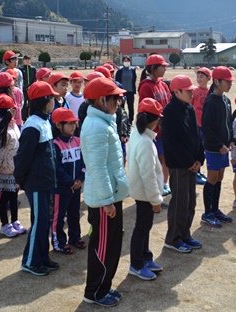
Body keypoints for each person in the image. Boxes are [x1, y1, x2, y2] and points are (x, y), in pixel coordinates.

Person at [81, 77, 129, 307]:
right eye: (116, 98)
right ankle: (95, 292)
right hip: (103, 199)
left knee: (112, 243)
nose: (119, 102)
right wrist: (107, 201)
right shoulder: (96, 127)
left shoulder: (105, 121)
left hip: (110, 194)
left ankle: (105, 286)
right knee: (102, 246)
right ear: (102, 100)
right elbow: (97, 167)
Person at [14, 81, 59, 276]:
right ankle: (30, 261)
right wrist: (23, 180)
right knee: (39, 223)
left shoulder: (45, 120)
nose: (54, 101)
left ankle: (42, 257)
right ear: (43, 101)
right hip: (37, 183)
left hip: (46, 181)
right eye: (52, 98)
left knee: (44, 222)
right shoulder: (32, 125)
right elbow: (23, 158)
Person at [162, 75, 205, 253]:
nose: (191, 93)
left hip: (192, 164)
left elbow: (196, 137)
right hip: (179, 166)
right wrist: (188, 161)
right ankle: (173, 238)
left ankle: (185, 234)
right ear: (177, 91)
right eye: (188, 91)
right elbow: (172, 144)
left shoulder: (189, 108)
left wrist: (199, 159)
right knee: (179, 202)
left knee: (190, 203)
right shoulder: (169, 112)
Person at [127, 98, 164, 280]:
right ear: (153, 121)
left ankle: (145, 257)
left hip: (141, 192)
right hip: (145, 194)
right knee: (142, 228)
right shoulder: (145, 142)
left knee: (145, 226)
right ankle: (136, 264)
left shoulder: (138, 135)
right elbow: (148, 176)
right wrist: (156, 200)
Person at [201, 66, 236, 227]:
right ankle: (207, 213)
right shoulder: (210, 102)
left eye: (230, 82)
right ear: (216, 81)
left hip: (224, 148)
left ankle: (215, 209)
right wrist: (219, 145)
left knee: (220, 177)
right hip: (214, 148)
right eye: (227, 82)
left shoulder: (226, 101)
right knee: (212, 178)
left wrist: (231, 140)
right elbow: (207, 128)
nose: (229, 85)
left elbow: (229, 123)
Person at [50, 107, 85, 254]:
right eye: (69, 123)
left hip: (75, 187)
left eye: (74, 123)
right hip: (62, 188)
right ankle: (59, 242)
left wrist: (80, 178)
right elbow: (57, 169)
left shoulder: (78, 141)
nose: (73, 126)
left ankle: (75, 237)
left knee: (74, 213)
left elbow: (84, 162)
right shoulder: (55, 144)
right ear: (58, 125)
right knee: (59, 216)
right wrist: (70, 182)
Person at [138, 54, 172, 196]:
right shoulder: (146, 87)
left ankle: (164, 183)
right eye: (162, 67)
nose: (164, 69)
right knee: (157, 161)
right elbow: (147, 109)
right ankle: (158, 185)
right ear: (153, 68)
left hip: (166, 130)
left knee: (166, 159)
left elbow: (169, 103)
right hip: (155, 131)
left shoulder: (163, 84)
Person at [0, 93, 25, 238]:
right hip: (6, 170)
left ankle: (15, 220)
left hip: (15, 168)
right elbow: (0, 153)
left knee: (13, 197)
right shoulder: (1, 129)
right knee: (4, 198)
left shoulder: (11, 125)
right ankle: (5, 224)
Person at [192, 67, 211, 185]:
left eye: (202, 76)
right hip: (196, 125)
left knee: (202, 149)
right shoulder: (194, 91)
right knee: (196, 149)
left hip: (206, 125)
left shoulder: (210, 92)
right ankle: (195, 172)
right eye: (198, 76)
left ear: (209, 78)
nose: (199, 79)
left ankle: (199, 171)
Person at [115, 56, 137, 124]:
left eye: (128, 61)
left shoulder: (132, 70)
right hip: (122, 92)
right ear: (123, 62)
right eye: (125, 61)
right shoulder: (119, 71)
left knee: (131, 107)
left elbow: (134, 80)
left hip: (130, 92)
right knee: (121, 107)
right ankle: (122, 120)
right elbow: (117, 81)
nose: (126, 62)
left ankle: (130, 121)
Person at [19, 55, 37, 120]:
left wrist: (31, 86)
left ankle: (31, 116)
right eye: (25, 59)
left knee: (31, 103)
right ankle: (23, 117)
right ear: (23, 60)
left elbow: (35, 78)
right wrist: (26, 86)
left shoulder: (33, 69)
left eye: (28, 59)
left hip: (31, 90)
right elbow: (21, 79)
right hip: (23, 89)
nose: (27, 61)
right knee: (23, 103)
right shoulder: (20, 69)